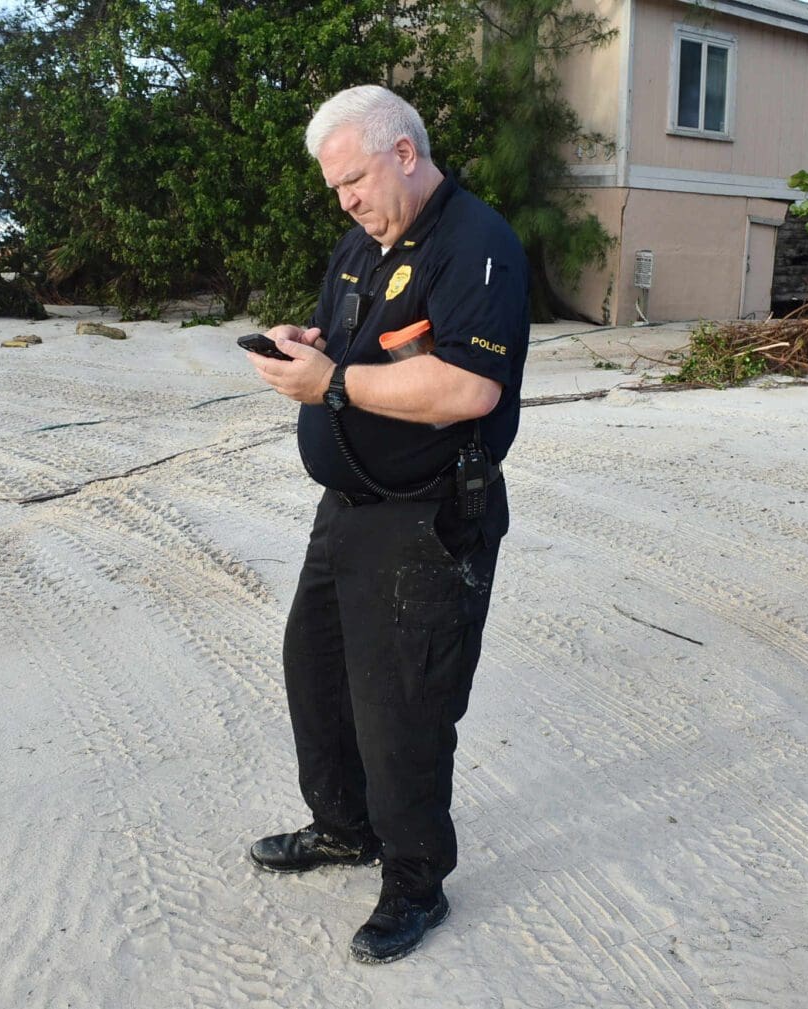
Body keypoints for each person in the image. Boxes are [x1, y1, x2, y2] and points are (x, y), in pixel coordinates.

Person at [244, 84, 530, 964]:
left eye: (355, 179)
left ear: (405, 152)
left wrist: (329, 384)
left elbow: (467, 389)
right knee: (317, 671)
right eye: (335, 188)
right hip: (351, 508)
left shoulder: (475, 243)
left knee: (401, 706)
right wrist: (312, 346)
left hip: (430, 514)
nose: (347, 200)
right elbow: (352, 341)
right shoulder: (363, 245)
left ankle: (415, 882)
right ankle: (343, 827)